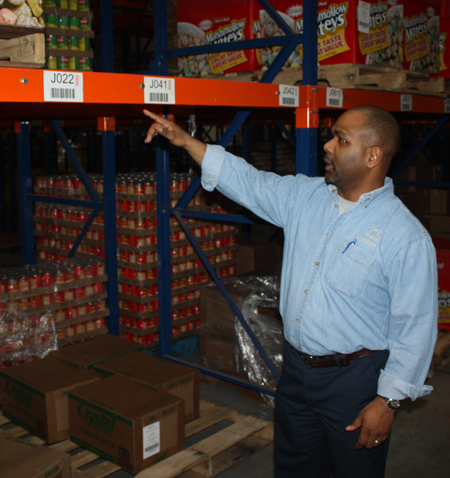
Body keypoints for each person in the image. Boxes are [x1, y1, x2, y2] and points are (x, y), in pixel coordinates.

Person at [143, 105, 438, 478]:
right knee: (295, 466)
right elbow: (248, 181)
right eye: (331, 135)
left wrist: (387, 402)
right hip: (297, 371)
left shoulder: (404, 237)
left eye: (340, 139)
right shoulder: (306, 197)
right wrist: (186, 141)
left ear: (372, 156)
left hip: (355, 381)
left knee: (353, 469)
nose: (327, 146)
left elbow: (416, 326)